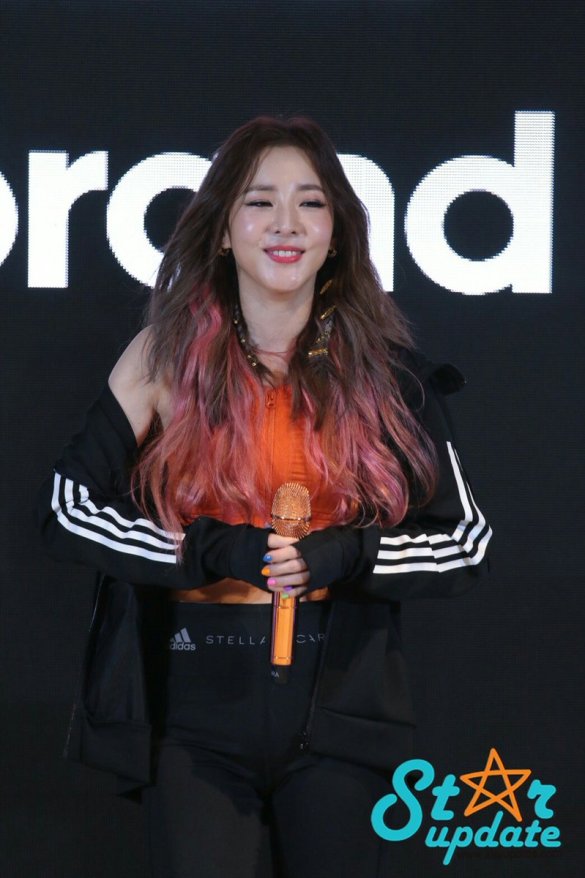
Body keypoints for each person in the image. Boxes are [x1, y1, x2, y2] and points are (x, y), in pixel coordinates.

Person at [37, 116, 492, 878]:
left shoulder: (390, 376)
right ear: (222, 230)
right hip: (194, 714)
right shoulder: (162, 359)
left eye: (310, 203)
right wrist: (210, 548)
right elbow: (66, 508)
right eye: (259, 202)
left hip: (341, 710)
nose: (286, 224)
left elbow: (466, 541)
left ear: (336, 232)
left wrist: (350, 553)